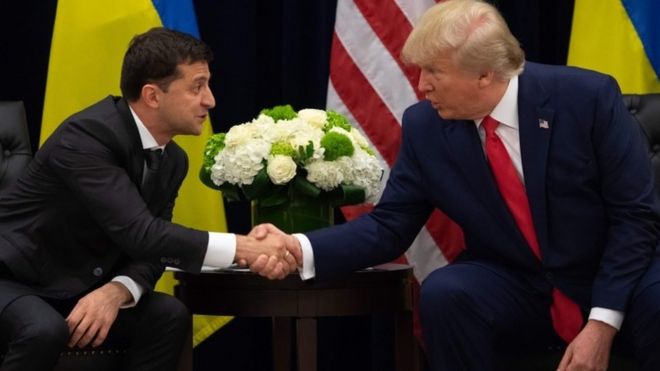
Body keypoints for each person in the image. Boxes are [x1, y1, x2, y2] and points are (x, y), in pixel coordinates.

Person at [252, 1, 660, 370]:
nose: (422, 85)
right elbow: (389, 226)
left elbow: (635, 218)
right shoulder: (425, 126)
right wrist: (297, 245)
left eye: (434, 72)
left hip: (612, 273)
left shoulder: (585, 98)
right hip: (517, 281)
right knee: (447, 292)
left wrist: (603, 324)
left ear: (485, 74)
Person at [0, 27, 295, 371]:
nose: (210, 100)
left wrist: (119, 290)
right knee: (42, 330)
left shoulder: (172, 159)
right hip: (13, 279)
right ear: (153, 96)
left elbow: (155, 250)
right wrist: (243, 248)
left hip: (77, 287)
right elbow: (141, 232)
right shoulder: (86, 137)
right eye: (197, 87)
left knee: (168, 315)